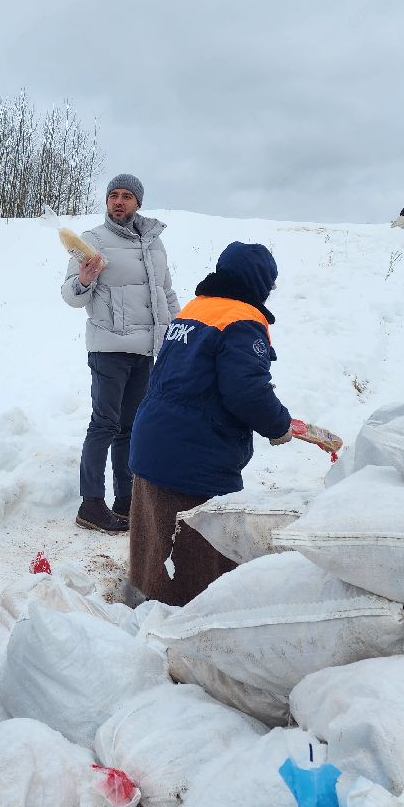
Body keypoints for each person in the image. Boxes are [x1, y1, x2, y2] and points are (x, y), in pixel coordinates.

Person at [127, 241, 293, 605]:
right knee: (200, 544)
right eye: (271, 282)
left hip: (154, 439)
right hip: (194, 453)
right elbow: (245, 391)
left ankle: (142, 599)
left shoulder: (194, 309)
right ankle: (192, 616)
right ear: (259, 281)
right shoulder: (243, 320)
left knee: (154, 533)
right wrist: (278, 425)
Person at [60, 174, 179, 533]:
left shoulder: (154, 243)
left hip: (144, 351)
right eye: (114, 195)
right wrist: (84, 279)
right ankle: (91, 504)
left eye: (127, 196)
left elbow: (165, 294)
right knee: (104, 425)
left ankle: (126, 501)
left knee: (130, 428)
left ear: (138, 203)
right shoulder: (92, 241)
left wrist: (178, 334)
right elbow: (70, 295)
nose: (119, 201)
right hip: (109, 347)